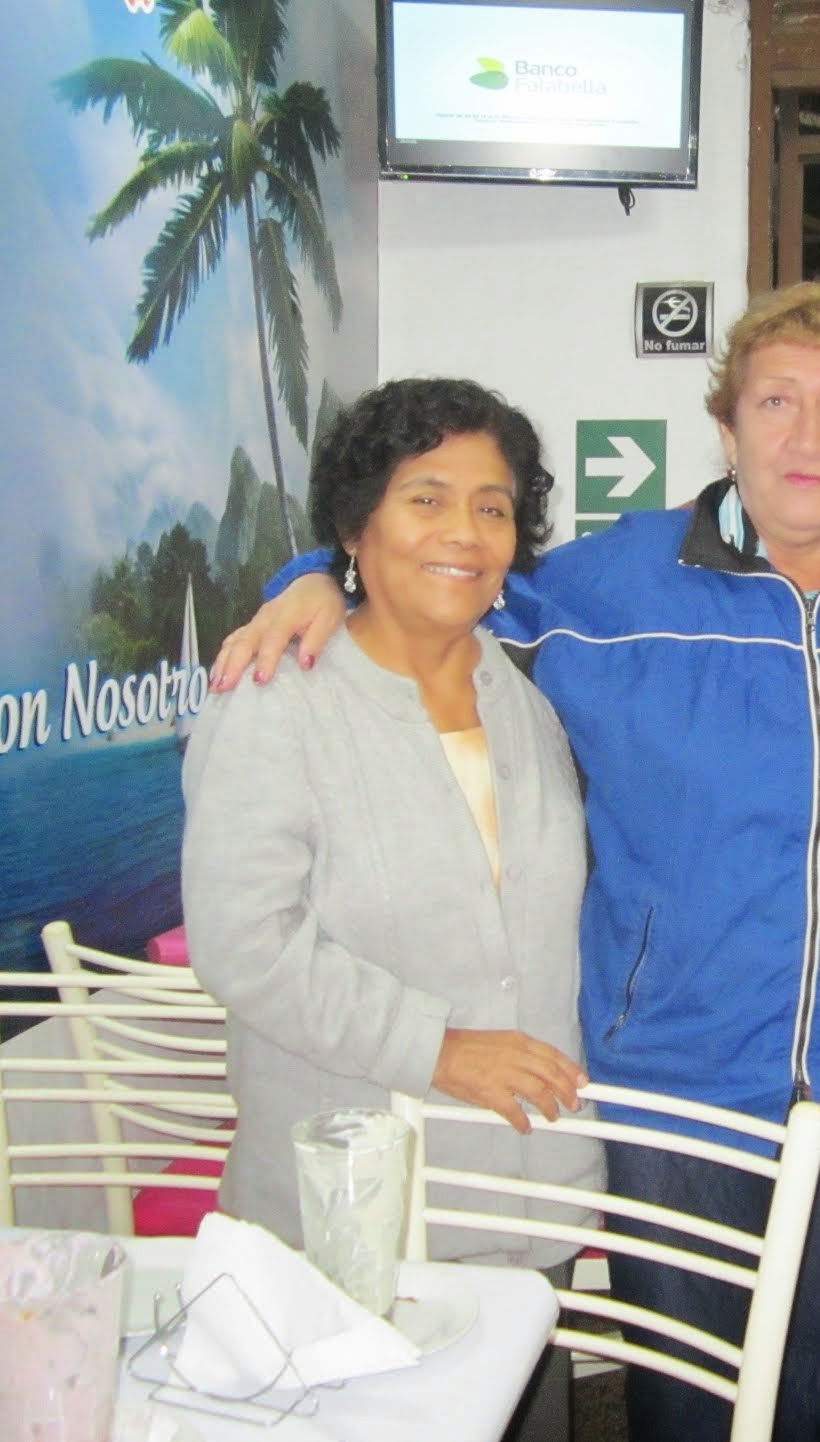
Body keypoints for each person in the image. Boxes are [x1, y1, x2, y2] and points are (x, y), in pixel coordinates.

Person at [208, 281, 820, 1442]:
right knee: (685, 1385)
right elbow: (437, 578)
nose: (805, 434)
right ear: (726, 427)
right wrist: (307, 574)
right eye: (775, 401)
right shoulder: (617, 582)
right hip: (676, 1068)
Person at [182, 377, 605, 1441]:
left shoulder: (530, 700)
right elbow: (246, 944)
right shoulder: (280, 700)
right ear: (354, 526)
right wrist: (438, 1046)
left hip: (527, 1199)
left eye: (493, 504)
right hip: (353, 1217)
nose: (465, 531)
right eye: (427, 497)